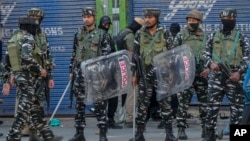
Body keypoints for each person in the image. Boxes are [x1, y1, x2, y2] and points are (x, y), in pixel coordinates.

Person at [3, 16, 62, 141]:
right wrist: (41, 70)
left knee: (35, 108)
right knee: (24, 109)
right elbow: (26, 58)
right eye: (34, 26)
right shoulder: (28, 37)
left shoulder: (14, 38)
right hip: (29, 78)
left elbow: (6, 62)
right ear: (29, 27)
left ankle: (47, 136)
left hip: (20, 77)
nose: (36, 28)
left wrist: (8, 78)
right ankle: (13, 136)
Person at [129, 8, 177, 141]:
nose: (147, 20)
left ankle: (169, 134)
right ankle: (139, 134)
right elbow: (136, 55)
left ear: (156, 18)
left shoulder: (165, 33)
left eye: (150, 17)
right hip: (145, 74)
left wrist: (172, 72)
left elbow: (171, 54)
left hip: (162, 75)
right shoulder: (139, 33)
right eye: (146, 17)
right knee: (142, 105)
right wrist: (134, 74)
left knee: (165, 104)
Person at [203, 8, 249, 141]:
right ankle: (209, 135)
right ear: (221, 19)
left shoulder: (241, 37)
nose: (229, 20)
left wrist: (239, 73)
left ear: (235, 18)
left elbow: (247, 58)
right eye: (226, 18)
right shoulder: (213, 35)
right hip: (216, 78)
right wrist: (211, 64)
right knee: (211, 108)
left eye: (232, 18)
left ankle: (238, 136)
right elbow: (205, 54)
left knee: (238, 110)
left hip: (234, 77)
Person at [69, 7, 114, 141]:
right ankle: (79, 133)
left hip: (96, 75)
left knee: (99, 105)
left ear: (94, 17)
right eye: (84, 17)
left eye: (88, 17)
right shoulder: (78, 34)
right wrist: (71, 71)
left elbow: (106, 56)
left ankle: (103, 134)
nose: (86, 19)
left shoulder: (102, 34)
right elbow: (74, 54)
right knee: (79, 105)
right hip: (80, 74)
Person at [172, 9, 210, 140]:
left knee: (204, 104)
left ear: (199, 22)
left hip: (201, 74)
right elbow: (174, 54)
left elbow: (211, 55)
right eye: (189, 20)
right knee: (183, 104)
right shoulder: (181, 36)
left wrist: (209, 68)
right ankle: (181, 130)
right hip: (185, 75)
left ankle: (205, 129)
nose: (191, 22)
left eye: (194, 21)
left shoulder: (205, 36)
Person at [115, 17, 144, 128]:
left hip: (121, 65)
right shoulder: (130, 35)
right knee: (132, 92)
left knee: (126, 92)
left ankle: (124, 116)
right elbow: (132, 54)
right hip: (129, 66)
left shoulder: (123, 31)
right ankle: (129, 118)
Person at [97, 15, 123, 129]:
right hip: (105, 70)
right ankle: (108, 120)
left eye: (108, 24)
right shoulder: (101, 35)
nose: (106, 26)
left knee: (109, 96)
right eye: (105, 24)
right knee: (110, 96)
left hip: (108, 70)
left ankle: (106, 119)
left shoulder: (105, 34)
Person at [157, 22, 181, 129]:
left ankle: (165, 120)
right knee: (176, 95)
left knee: (166, 96)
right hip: (178, 71)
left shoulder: (167, 39)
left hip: (167, 71)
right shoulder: (179, 39)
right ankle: (176, 115)